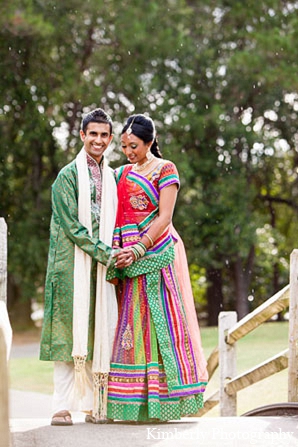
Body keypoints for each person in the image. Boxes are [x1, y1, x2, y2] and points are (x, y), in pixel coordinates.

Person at [106, 114, 208, 422]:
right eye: (124, 146)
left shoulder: (166, 169)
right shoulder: (121, 174)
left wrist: (138, 248)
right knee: (132, 327)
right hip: (127, 261)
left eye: (134, 145)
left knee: (161, 325)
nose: (128, 152)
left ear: (150, 141)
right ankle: (132, 405)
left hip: (158, 254)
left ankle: (164, 405)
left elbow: (164, 218)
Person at [40, 108, 127, 426]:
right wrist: (108, 253)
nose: (99, 140)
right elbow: (74, 227)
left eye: (105, 135)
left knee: (96, 330)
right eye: (93, 134)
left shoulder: (111, 176)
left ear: (110, 138)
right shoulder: (67, 176)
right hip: (70, 267)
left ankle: (94, 405)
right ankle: (60, 406)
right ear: (82, 136)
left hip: (100, 269)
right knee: (67, 335)